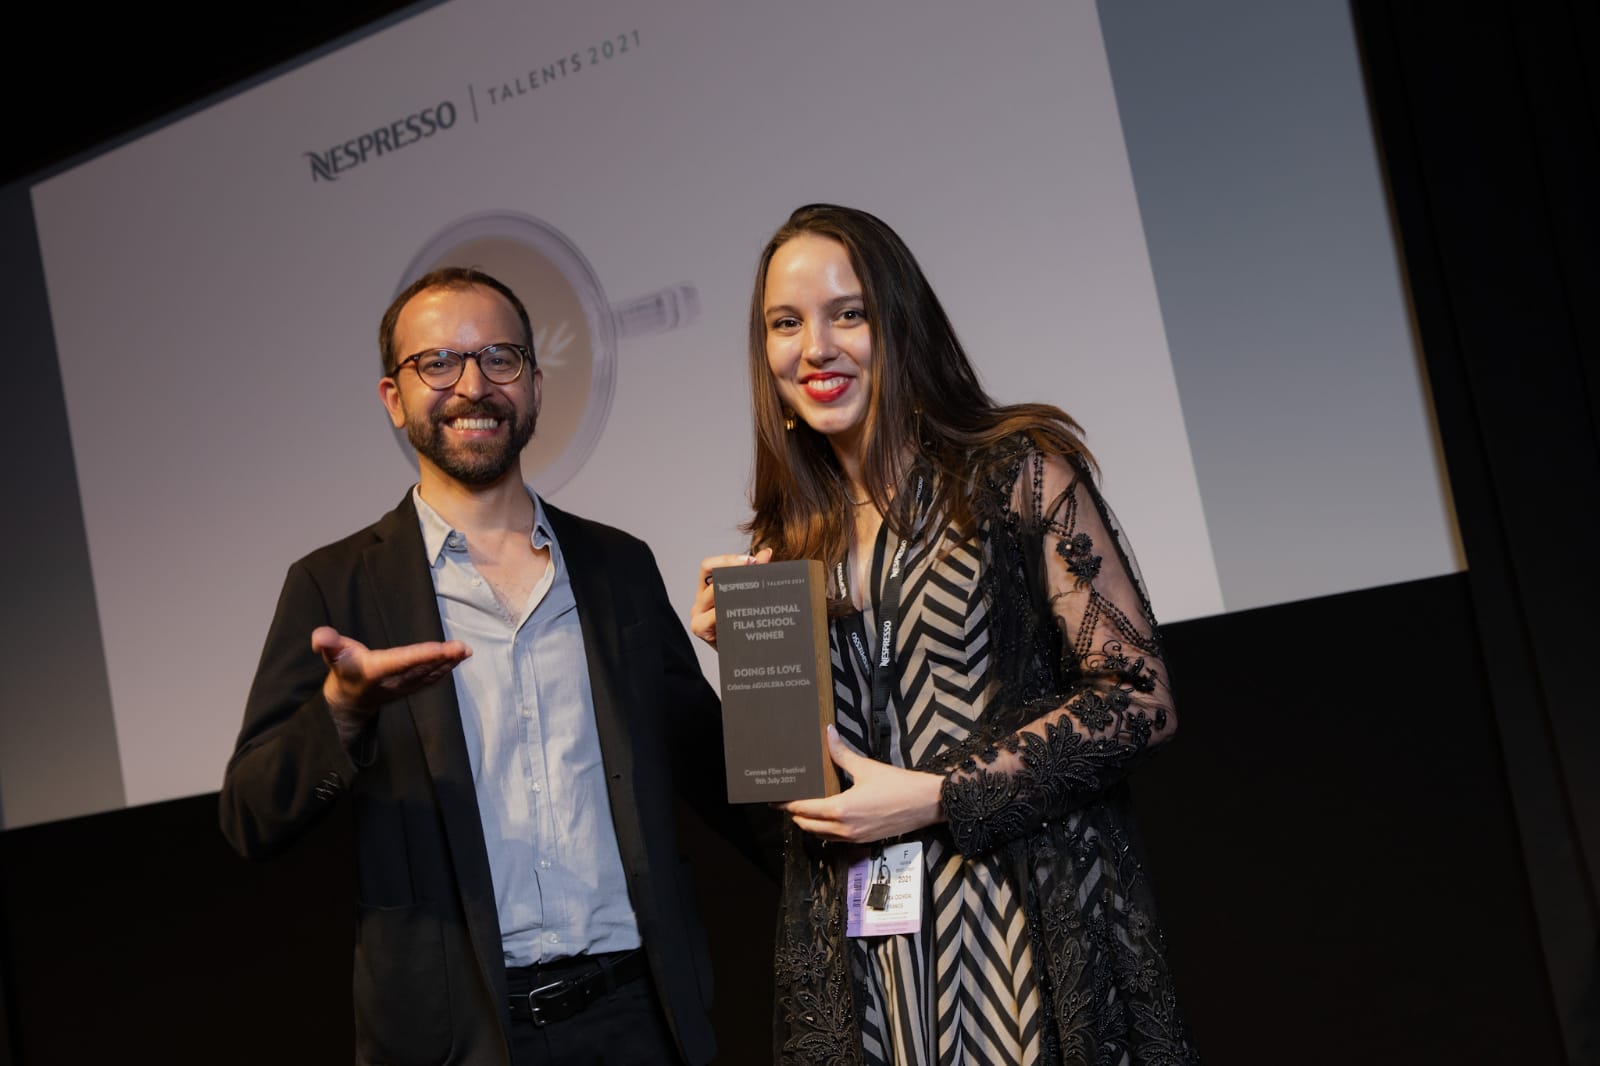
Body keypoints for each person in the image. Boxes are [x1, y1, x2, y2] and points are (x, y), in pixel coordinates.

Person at [691, 204, 1199, 1065]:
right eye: (786, 322)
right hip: (872, 965)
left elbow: (1138, 699)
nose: (814, 347)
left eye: (846, 313)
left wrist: (936, 794)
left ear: (898, 324)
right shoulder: (788, 541)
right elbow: (808, 791)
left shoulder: (1014, 472)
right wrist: (748, 665)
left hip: (1018, 936)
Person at [221, 267, 728, 1066]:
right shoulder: (335, 585)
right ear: (393, 397)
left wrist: (784, 668)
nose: (472, 385)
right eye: (438, 364)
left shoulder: (617, 567)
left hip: (640, 1021)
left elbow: (717, 772)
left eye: (499, 359)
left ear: (532, 384)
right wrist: (343, 714)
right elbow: (251, 816)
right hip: (459, 1036)